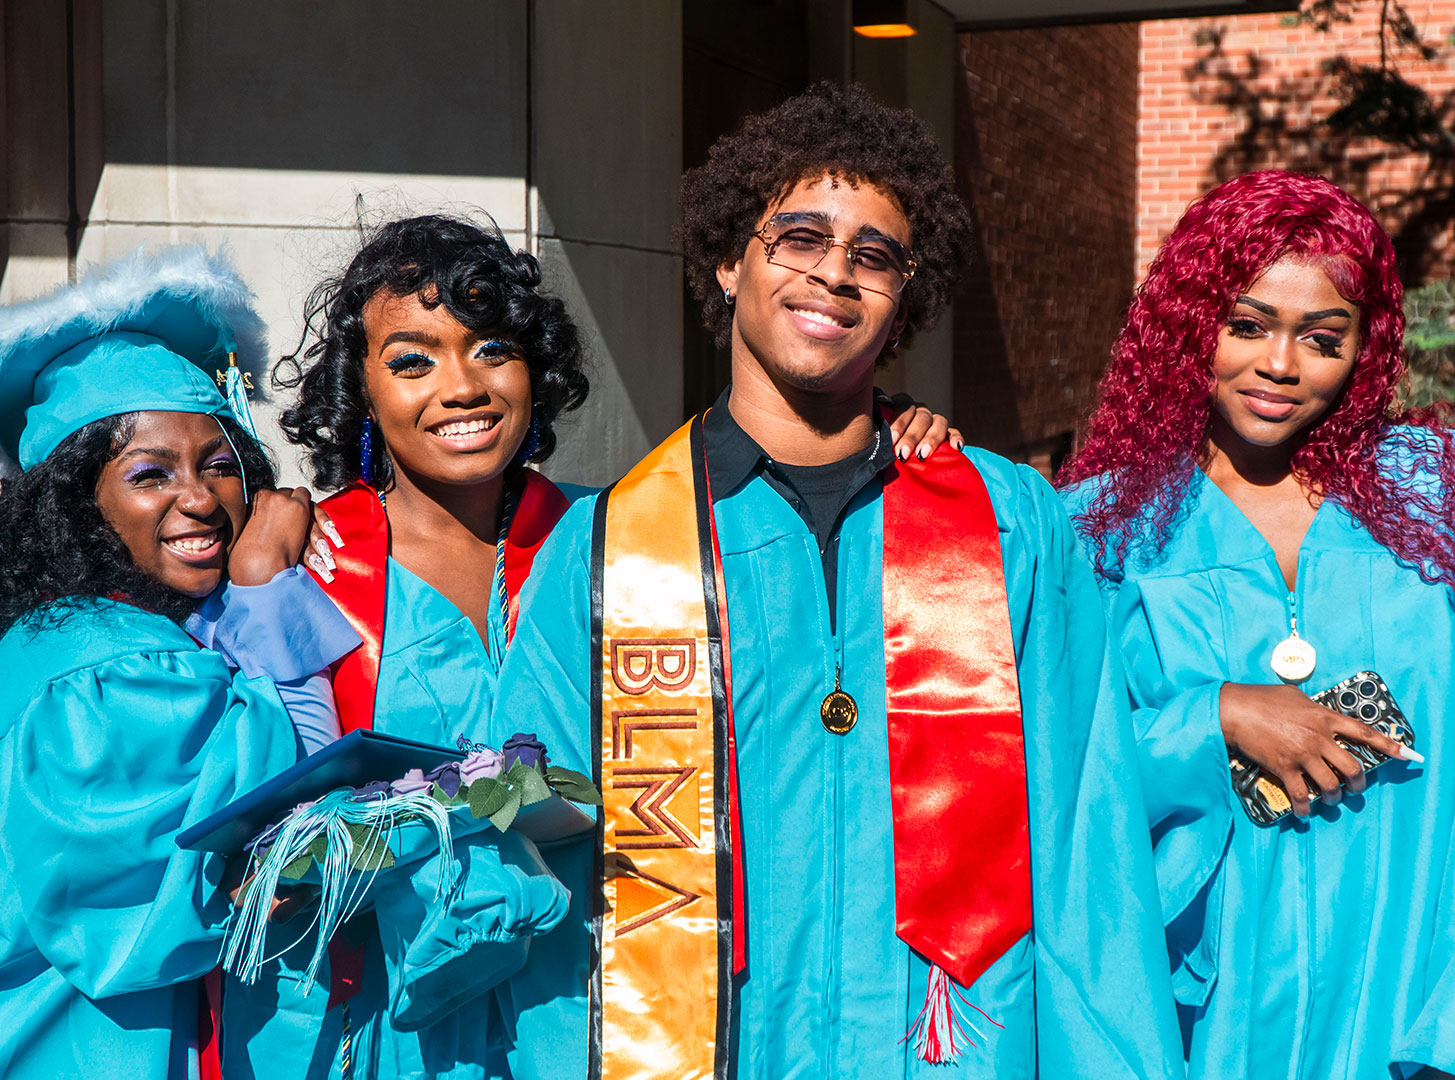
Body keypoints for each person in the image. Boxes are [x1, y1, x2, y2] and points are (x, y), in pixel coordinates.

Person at [481, 82, 1183, 1079]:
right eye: (799, 238)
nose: (834, 274)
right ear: (729, 260)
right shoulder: (608, 552)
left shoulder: (1007, 524)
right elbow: (539, 852)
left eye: (874, 256)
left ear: (904, 300)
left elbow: (1085, 844)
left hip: (956, 1050)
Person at [247, 213, 965, 1079]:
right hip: (390, 1022)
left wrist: (886, 425)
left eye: (492, 350)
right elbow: (263, 821)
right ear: (360, 390)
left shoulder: (623, 541)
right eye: (412, 362)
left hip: (588, 1010)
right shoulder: (307, 567)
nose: (462, 386)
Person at [1057, 170, 1455, 1079]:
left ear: (1364, 350)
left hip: (1398, 966)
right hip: (1200, 1000)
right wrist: (1215, 718)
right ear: (1191, 325)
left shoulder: (1442, 496)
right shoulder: (1104, 529)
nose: (1280, 365)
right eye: (1246, 325)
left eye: (1322, 338)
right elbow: (1062, 786)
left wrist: (1454, 1024)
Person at [0, 245, 366, 1079]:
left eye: (220, 466)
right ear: (76, 507)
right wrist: (264, 584)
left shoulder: (44, 651)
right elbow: (301, 811)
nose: (199, 499)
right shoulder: (116, 676)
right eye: (149, 474)